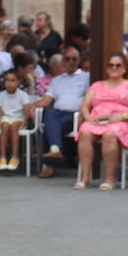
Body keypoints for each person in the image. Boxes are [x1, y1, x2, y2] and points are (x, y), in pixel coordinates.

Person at [74, 53, 128, 190]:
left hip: (119, 120)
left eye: (118, 65)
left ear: (124, 68)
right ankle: (85, 177)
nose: (114, 68)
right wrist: (88, 117)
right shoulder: (97, 85)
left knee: (110, 135)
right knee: (85, 133)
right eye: (111, 65)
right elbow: (85, 105)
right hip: (96, 119)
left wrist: (122, 116)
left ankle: (110, 179)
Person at [35, 48, 89, 177]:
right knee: (49, 114)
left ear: (79, 60)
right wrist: (32, 107)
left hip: (75, 115)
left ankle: (49, 164)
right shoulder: (56, 80)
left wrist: (83, 113)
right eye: (67, 59)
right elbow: (47, 100)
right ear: (63, 61)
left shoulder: (87, 77)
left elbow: (88, 98)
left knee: (51, 124)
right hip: (58, 114)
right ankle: (55, 150)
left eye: (74, 59)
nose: (71, 61)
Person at [0, 69, 36, 172]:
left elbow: (26, 113)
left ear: (18, 82)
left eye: (12, 80)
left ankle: (14, 156)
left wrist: (24, 123)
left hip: (19, 119)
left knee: (14, 126)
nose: (9, 83)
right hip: (6, 118)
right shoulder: (1, 95)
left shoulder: (23, 95)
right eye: (7, 80)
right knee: (5, 125)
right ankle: (2, 157)